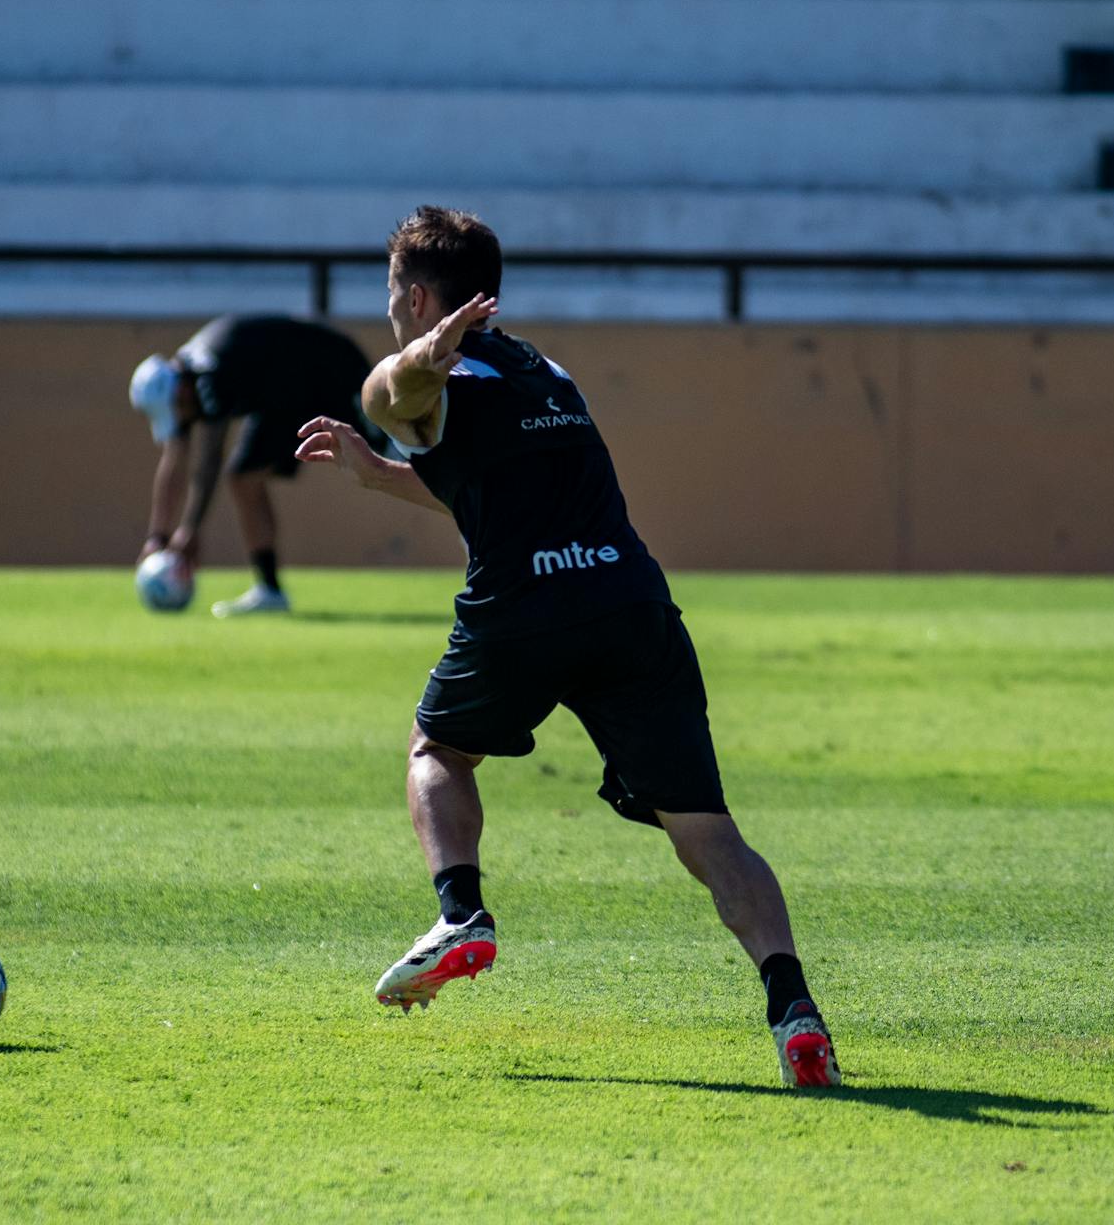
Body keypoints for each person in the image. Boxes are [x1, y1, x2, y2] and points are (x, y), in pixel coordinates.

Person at [295, 206, 840, 1088]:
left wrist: (419, 360)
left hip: (524, 609)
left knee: (438, 749)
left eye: (395, 295)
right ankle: (795, 1012)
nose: (391, 311)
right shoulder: (545, 373)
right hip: (630, 602)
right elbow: (484, 490)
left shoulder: (413, 375)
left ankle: (461, 914)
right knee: (708, 833)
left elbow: (397, 389)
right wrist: (377, 474)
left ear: (420, 295)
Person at [129, 315, 375, 617]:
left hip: (329, 373)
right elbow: (175, 457)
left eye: (176, 410)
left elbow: (208, 461)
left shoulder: (208, 377)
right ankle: (270, 591)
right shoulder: (185, 382)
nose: (179, 418)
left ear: (179, 391)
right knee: (243, 478)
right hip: (282, 391)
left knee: (391, 455)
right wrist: (158, 536)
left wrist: (190, 530)